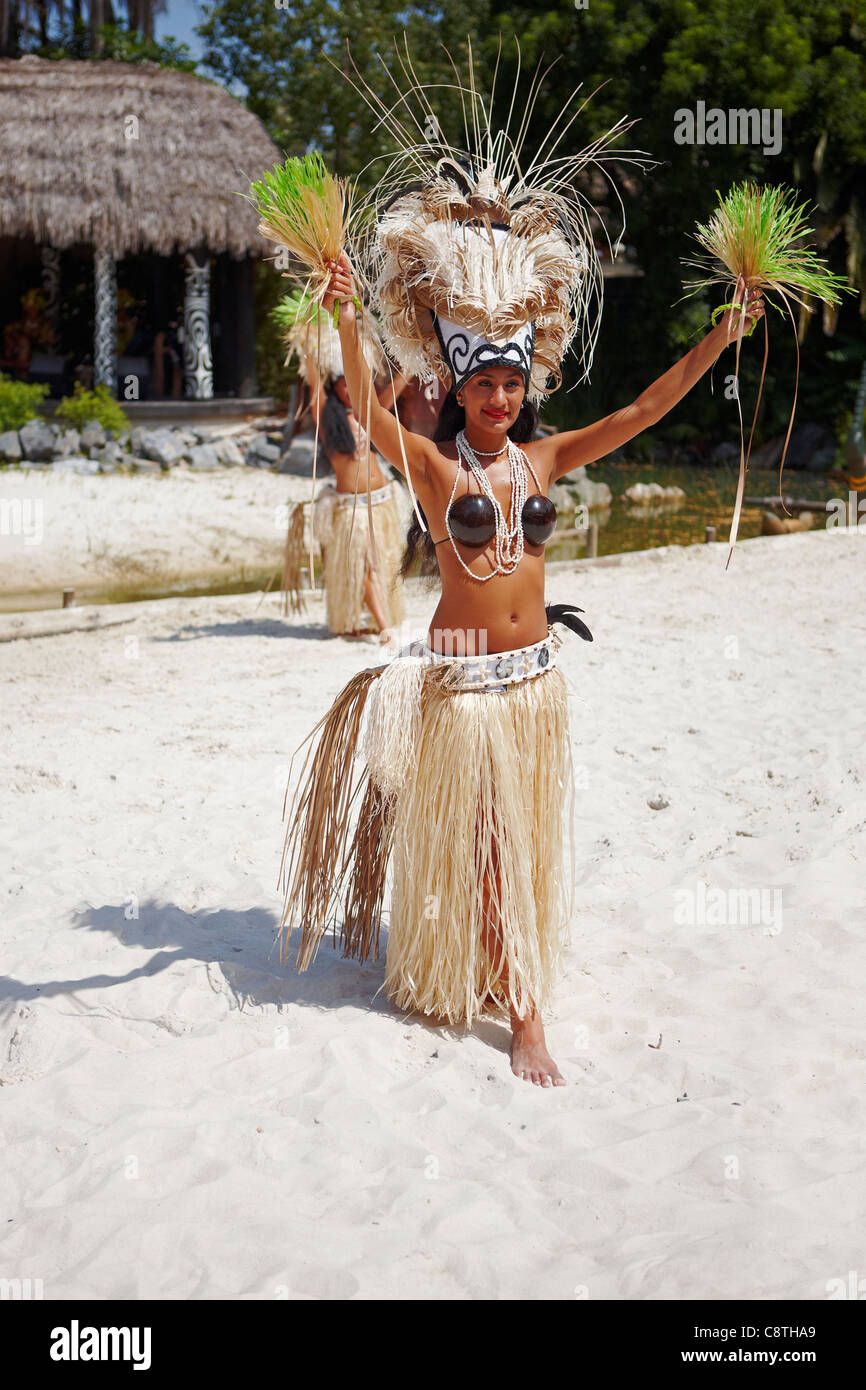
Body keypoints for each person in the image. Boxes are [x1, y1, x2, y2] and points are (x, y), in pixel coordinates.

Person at [275, 74, 765, 1088]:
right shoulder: (439, 467)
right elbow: (366, 408)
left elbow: (637, 411)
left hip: (533, 683)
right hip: (462, 685)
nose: (498, 395)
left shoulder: (538, 464)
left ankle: (504, 981)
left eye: (511, 381)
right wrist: (351, 314)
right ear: (455, 386)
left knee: (507, 843)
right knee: (492, 842)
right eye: (482, 382)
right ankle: (524, 1014)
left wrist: (719, 335)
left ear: (523, 385)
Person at [279, 305, 406, 643]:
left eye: (355, 382)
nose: (350, 389)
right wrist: (309, 344)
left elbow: (399, 384)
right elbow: (313, 383)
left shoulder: (370, 412)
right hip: (350, 507)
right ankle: (384, 628)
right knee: (362, 565)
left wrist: (415, 355)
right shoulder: (326, 417)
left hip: (382, 503)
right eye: (344, 384)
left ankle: (369, 619)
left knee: (381, 566)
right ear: (335, 387)